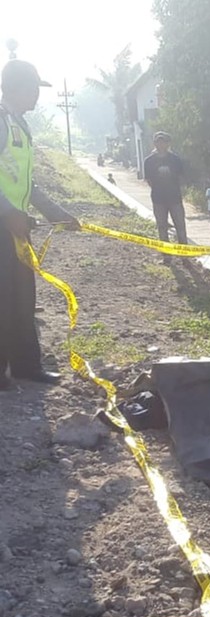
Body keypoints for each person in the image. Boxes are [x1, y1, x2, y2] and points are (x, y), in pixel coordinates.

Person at [0, 59, 79, 389]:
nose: (37, 97)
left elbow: (27, 183)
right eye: (34, 89)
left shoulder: (20, 125)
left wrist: (56, 213)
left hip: (16, 228)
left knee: (22, 298)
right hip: (6, 224)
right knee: (3, 297)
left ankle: (25, 366)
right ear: (18, 88)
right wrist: (7, 212)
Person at [143, 131, 187, 255]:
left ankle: (184, 255)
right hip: (158, 199)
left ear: (168, 143)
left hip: (175, 199)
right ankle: (166, 256)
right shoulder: (149, 161)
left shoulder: (175, 159)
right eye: (157, 141)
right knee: (162, 228)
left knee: (180, 227)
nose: (160, 144)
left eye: (163, 142)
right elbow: (149, 180)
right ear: (154, 143)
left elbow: (181, 177)